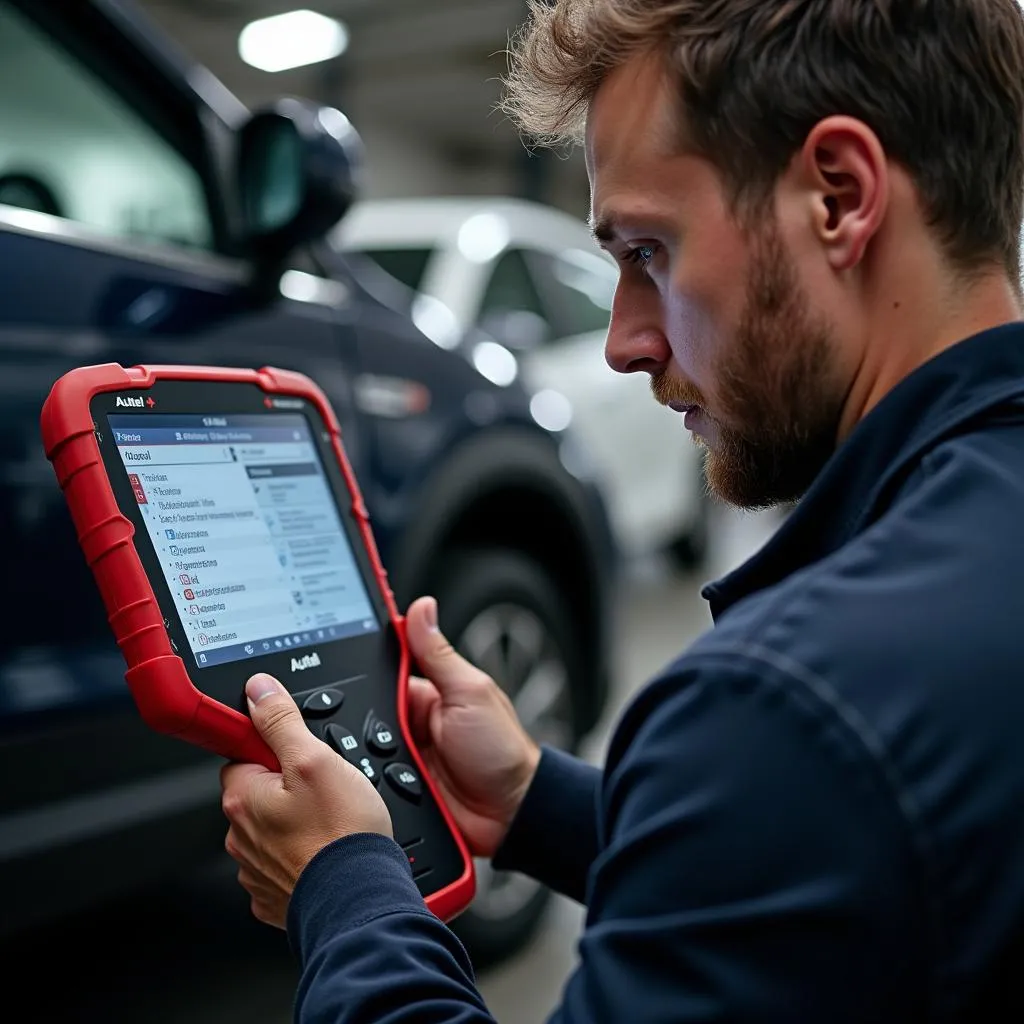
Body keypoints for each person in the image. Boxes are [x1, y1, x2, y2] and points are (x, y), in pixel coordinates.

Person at [219, 1, 1024, 1019]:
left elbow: (818, 776)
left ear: (838, 196)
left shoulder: (788, 706)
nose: (623, 344)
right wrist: (532, 801)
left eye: (646, 252)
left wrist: (345, 887)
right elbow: (849, 875)